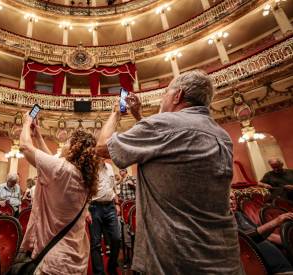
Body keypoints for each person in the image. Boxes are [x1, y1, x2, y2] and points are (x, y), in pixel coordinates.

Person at [96, 70, 243, 274]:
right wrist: (139, 116)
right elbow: (165, 144)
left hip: (175, 259)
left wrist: (115, 113)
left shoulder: (162, 125)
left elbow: (103, 147)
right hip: (223, 255)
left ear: (177, 95)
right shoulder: (221, 133)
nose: (162, 96)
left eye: (166, 91)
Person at [18, 114, 100, 274]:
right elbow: (53, 163)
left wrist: (27, 122)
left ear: (74, 147)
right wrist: (38, 137)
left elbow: (25, 147)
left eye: (68, 141)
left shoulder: (62, 171)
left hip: (54, 261)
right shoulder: (82, 176)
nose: (64, 144)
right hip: (74, 257)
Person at [230, 192, 293, 274]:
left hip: (283, 265)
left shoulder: (239, 215)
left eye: (233, 198)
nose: (231, 202)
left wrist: (289, 241)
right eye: (227, 198)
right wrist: (276, 221)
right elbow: (249, 238)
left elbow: (264, 235)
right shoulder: (225, 223)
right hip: (268, 269)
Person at [86, 159, 121, 275]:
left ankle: (111, 267)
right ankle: (99, 272)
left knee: (116, 238)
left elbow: (113, 188)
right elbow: (84, 189)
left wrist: (116, 203)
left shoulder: (110, 167)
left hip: (110, 206)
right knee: (96, 243)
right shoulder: (89, 167)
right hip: (94, 207)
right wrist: (86, 210)